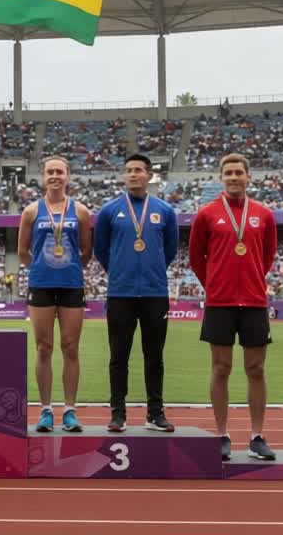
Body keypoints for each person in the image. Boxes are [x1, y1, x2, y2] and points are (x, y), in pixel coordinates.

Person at [188, 153, 278, 462]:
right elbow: (196, 257)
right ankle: (222, 435)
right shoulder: (206, 214)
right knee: (220, 368)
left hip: (254, 301)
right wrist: (214, 284)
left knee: (256, 369)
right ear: (221, 178)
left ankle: (256, 436)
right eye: (228, 173)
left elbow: (267, 255)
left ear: (248, 176)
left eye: (239, 172)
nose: (234, 177)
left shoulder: (263, 214)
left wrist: (252, 280)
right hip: (220, 302)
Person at [93, 153, 180, 433]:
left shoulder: (164, 210)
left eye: (138, 170)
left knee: (154, 357)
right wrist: (119, 270)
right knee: (118, 357)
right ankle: (118, 413)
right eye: (129, 170)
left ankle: (155, 413)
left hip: (155, 293)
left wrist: (154, 270)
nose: (133, 174)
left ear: (149, 175)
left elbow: (170, 248)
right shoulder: (109, 210)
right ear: (124, 175)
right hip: (120, 293)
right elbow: (101, 248)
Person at [18, 156, 92, 433]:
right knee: (43, 348)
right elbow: (22, 251)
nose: (55, 176)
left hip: (71, 285)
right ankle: (46, 410)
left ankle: (70, 410)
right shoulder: (31, 211)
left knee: (70, 347)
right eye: (50, 171)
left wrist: (68, 270)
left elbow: (86, 250)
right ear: (43, 176)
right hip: (41, 285)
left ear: (67, 176)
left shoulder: (81, 211)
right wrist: (41, 269)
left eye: (60, 172)